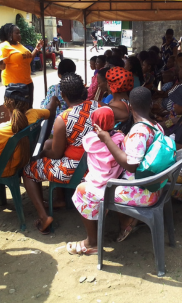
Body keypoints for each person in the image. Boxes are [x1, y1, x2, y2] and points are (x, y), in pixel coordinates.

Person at [23, 73, 99, 234]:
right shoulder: (96, 106)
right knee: (50, 144)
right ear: (82, 91)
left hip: (75, 170)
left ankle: (44, 217)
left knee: (28, 170)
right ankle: (59, 198)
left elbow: (56, 155)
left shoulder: (63, 118)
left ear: (63, 95)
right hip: (95, 164)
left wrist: (42, 152)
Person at [94, 87, 166, 242]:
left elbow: (130, 166)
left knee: (89, 189)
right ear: (151, 104)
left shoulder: (139, 132)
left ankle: (95, 238)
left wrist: (107, 139)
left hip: (142, 191)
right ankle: (127, 220)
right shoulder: (156, 126)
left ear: (130, 106)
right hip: (157, 185)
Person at [0, 84, 54, 207]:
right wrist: (53, 100)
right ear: (27, 103)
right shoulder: (34, 114)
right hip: (23, 161)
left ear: (5, 105)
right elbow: (50, 112)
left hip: (3, 170)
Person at [69, 107, 125, 255]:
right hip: (113, 180)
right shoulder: (118, 139)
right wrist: (116, 134)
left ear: (94, 125)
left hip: (97, 182)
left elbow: (88, 143)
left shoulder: (89, 140)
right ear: (113, 123)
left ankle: (92, 241)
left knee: (80, 193)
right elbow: (120, 141)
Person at [0, 23, 43, 107]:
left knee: (29, 108)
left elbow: (28, 59)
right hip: (14, 86)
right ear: (9, 34)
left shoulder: (19, 45)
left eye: (19, 33)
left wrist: (36, 49)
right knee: (18, 111)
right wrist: (0, 63)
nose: (20, 35)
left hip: (27, 82)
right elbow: (2, 67)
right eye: (17, 33)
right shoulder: (4, 46)